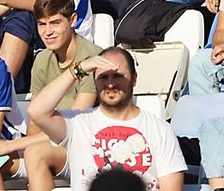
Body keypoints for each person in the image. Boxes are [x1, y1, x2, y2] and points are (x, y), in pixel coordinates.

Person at [24, 46, 185, 191]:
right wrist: (79, 69)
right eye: (103, 77)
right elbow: (36, 111)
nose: (110, 84)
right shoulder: (78, 122)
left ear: (134, 79)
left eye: (117, 76)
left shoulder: (160, 130)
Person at [0, 0, 99, 191]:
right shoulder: (42, 59)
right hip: (48, 145)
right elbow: (35, 122)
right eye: (42, 24)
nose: (47, 32)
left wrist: (13, 145)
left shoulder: (91, 59)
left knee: (34, 153)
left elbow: (76, 127)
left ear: (73, 20)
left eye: (55, 23)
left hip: (86, 148)